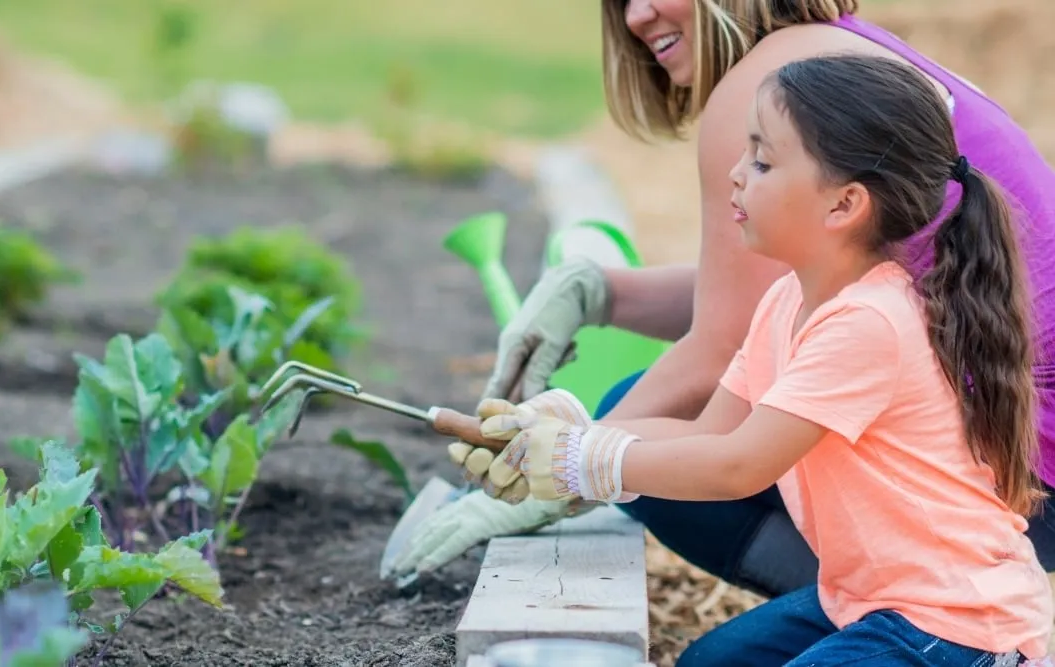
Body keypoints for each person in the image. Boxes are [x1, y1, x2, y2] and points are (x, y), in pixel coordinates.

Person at [387, 0, 1055, 599]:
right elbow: (771, 299)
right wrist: (599, 293)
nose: (636, 17)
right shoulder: (832, 54)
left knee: (653, 441)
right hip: (1024, 458)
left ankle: (908, 607)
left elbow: (722, 348)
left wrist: (566, 467)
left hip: (1013, 485)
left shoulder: (768, 91)